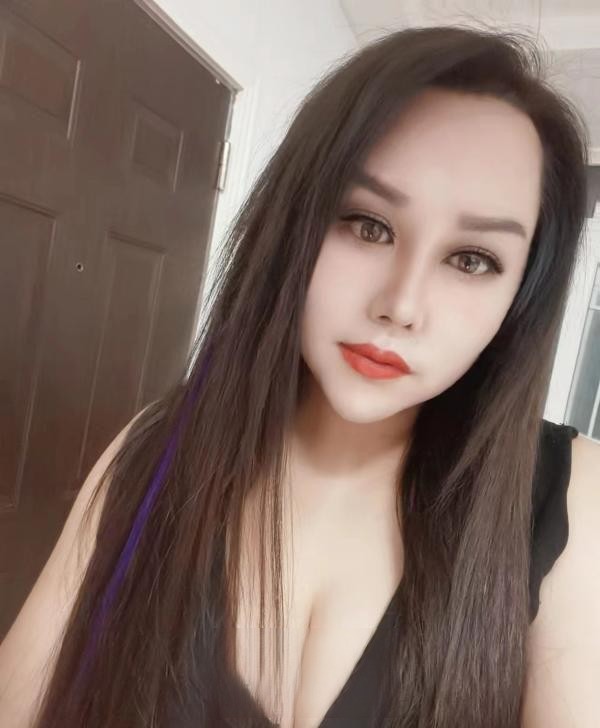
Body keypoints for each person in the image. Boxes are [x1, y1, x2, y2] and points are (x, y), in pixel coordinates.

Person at [1, 22, 599, 728]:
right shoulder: (155, 450)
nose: (401, 305)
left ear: (520, 297)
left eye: (471, 260)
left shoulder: (567, 499)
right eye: (368, 225)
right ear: (296, 223)